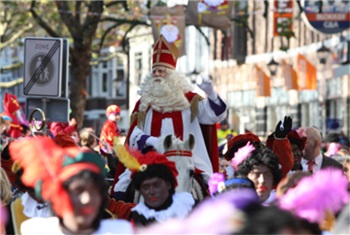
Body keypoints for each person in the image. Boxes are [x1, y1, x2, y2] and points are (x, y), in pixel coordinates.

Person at [114, 35, 227, 194]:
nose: (158, 75)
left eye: (162, 71)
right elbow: (133, 134)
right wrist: (151, 140)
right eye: (155, 71)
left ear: (172, 74)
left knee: (212, 192)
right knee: (122, 188)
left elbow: (216, 115)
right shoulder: (144, 104)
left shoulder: (190, 101)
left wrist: (211, 93)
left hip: (189, 160)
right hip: (151, 160)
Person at [9, 137, 134, 235]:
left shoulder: (119, 230)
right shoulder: (34, 230)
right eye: (78, 191)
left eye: (94, 191)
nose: (87, 199)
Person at [114, 145, 195, 227]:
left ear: (168, 184)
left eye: (156, 185)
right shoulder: (135, 217)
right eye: (145, 187)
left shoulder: (198, 212)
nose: (151, 191)